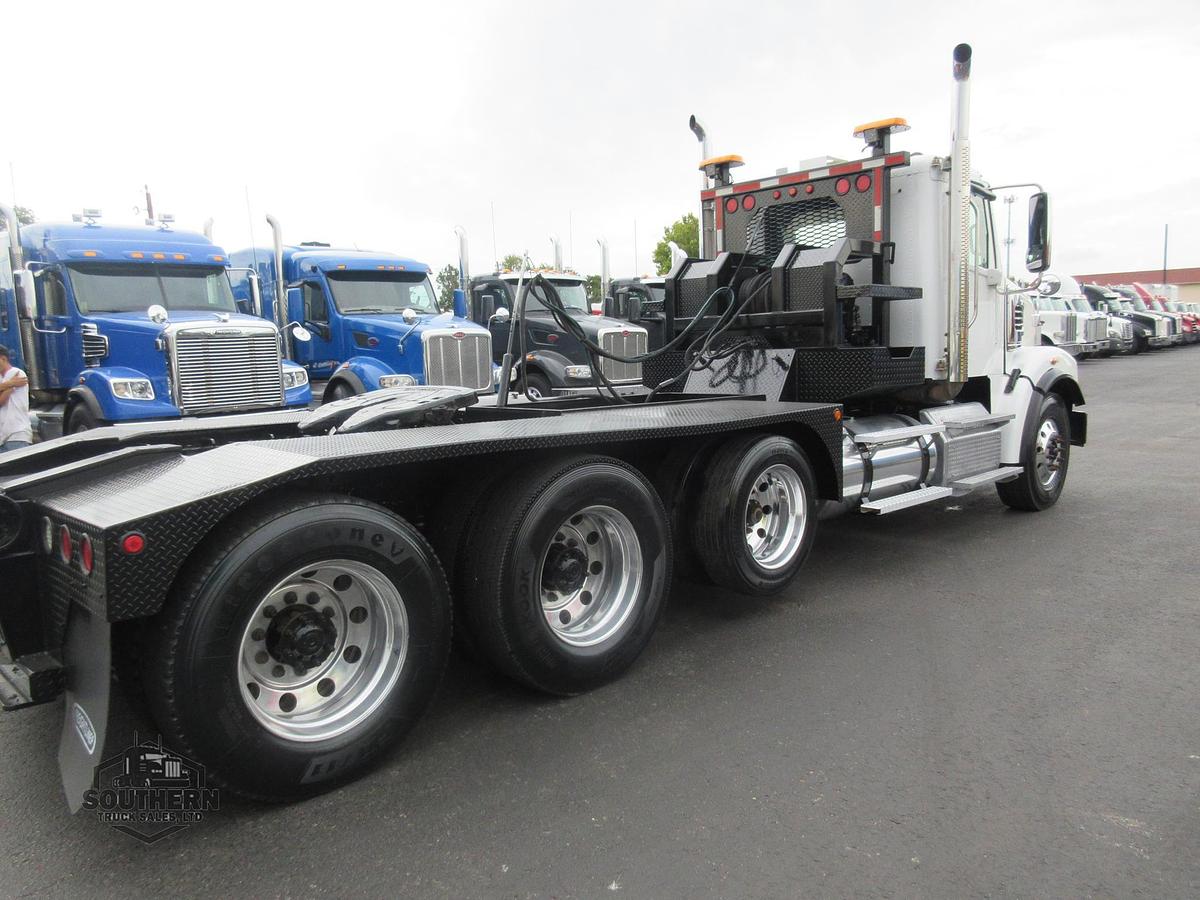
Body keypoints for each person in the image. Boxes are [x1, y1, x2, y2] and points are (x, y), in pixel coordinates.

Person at [0, 344, 32, 452]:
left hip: (17, 433)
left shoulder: (16, 373)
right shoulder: (5, 378)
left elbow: (1, 401)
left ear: (3, 359)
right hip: (3, 436)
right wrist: (9, 384)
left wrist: (9, 385)